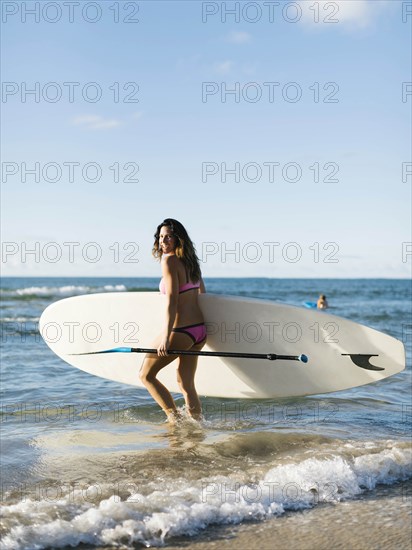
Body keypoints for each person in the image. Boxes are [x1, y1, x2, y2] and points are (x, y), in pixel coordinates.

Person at [139, 219, 207, 423]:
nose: (163, 241)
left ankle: (174, 420)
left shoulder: (168, 261)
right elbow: (203, 294)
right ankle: (197, 426)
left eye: (168, 236)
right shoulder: (192, 262)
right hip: (199, 332)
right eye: (160, 237)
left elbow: (172, 301)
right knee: (186, 384)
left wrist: (166, 338)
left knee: (146, 375)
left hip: (182, 331)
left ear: (179, 238)